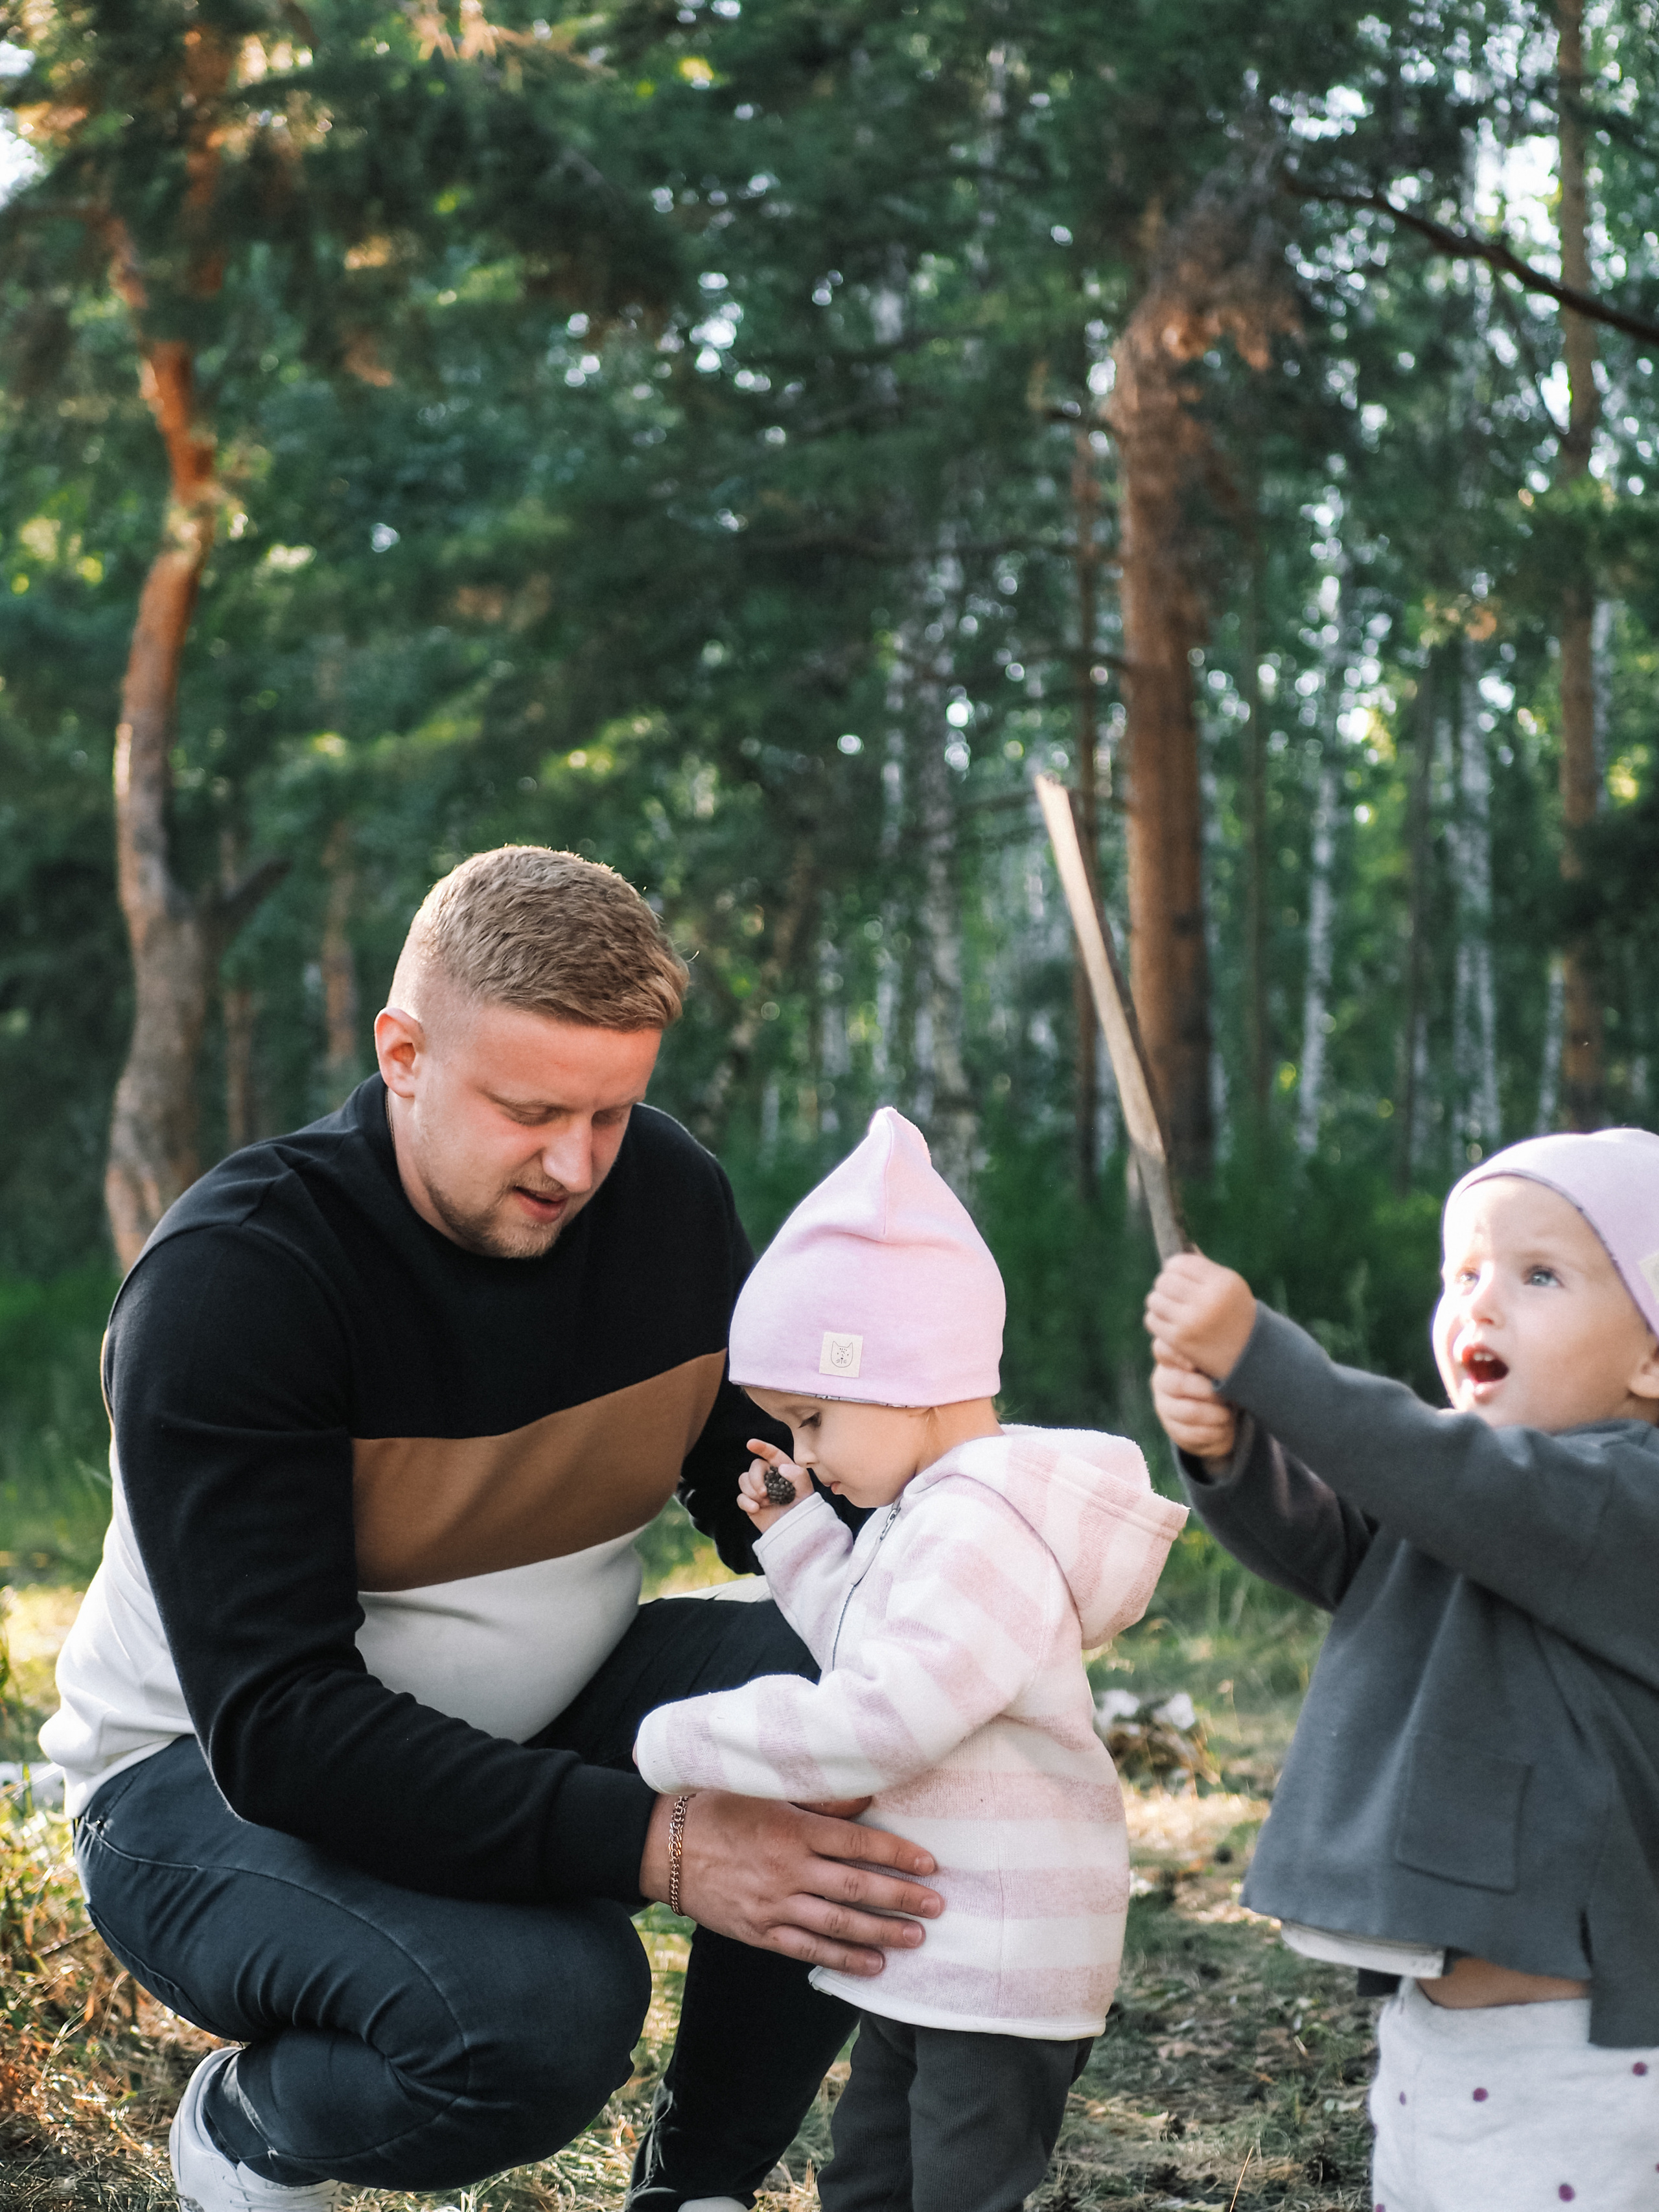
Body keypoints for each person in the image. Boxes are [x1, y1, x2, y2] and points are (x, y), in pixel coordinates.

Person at [44, 846, 945, 2212]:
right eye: (530, 1110)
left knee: (884, 1693)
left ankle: (694, 2189)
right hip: (201, 1791)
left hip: (552, 1703)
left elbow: (741, 1471)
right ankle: (251, 2126)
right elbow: (281, 1727)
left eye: (613, 1112)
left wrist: (926, 1558)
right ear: (401, 1053)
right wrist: (669, 1839)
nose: (578, 1164)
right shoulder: (239, 1285)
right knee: (545, 2007)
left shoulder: (667, 1198)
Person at [634, 1108, 1188, 2212]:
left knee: (955, 2186)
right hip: (937, 1946)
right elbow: (873, 1639)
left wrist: (686, 1737)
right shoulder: (928, 1510)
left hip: (1002, 1960)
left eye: (813, 1418)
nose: (805, 1451)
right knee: (871, 2175)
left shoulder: (983, 1525)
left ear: (904, 1379)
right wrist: (799, 1538)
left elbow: (884, 1714)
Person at [1143, 1127, 1659, 2212]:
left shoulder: (1624, 1501)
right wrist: (1232, 1455)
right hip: (1436, 2031)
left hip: (1580, 2056)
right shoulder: (1478, 1500)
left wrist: (1265, 1357)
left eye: (1539, 1274)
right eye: (1462, 1273)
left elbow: (1438, 1472)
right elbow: (1335, 1542)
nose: (1480, 1304)